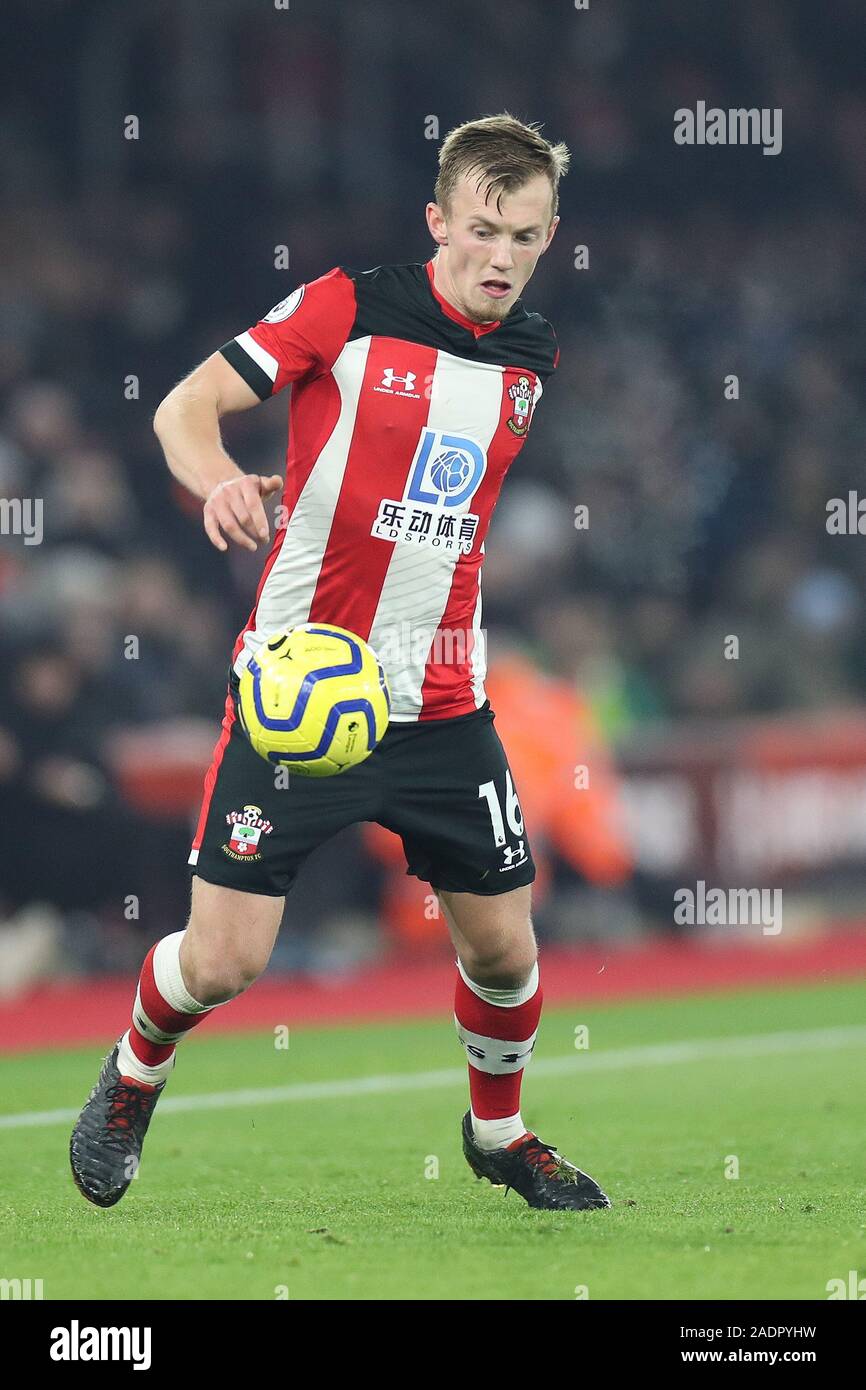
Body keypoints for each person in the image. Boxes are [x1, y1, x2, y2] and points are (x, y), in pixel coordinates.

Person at [70, 113, 611, 1214]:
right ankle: (133, 1075)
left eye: (524, 235)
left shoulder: (532, 353)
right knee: (223, 964)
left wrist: (324, 492)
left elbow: (423, 497)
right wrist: (220, 477)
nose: (500, 257)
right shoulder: (344, 303)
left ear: (550, 236)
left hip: (443, 700)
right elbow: (185, 409)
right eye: (481, 230)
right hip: (300, 690)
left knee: (506, 952)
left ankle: (497, 1134)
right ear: (436, 221)